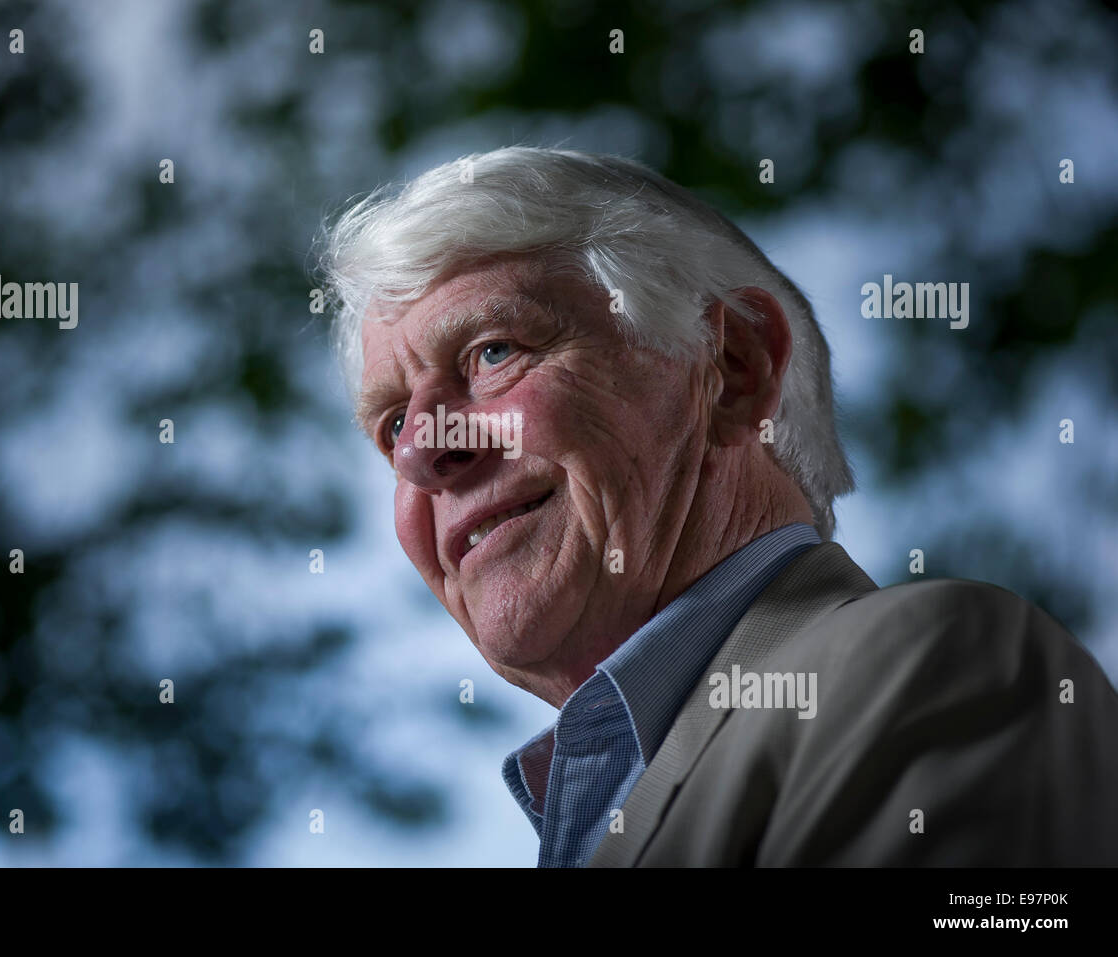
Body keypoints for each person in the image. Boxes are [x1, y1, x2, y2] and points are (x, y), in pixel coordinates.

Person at [314, 146, 1118, 866]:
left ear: (731, 368)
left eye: (494, 351)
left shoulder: (932, 666)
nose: (422, 448)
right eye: (389, 428)